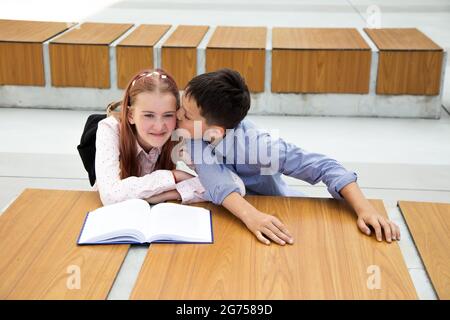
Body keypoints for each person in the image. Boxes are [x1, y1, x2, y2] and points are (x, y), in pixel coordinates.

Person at [173, 68, 401, 246]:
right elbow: (217, 182)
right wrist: (251, 216)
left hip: (278, 211)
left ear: (216, 131)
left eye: (186, 114)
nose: (177, 115)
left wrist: (365, 209)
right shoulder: (195, 137)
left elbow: (324, 167)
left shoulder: (260, 148)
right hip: (238, 215)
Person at [94, 68, 245, 206]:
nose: (159, 126)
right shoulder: (110, 129)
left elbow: (235, 184)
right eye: (148, 115)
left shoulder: (179, 135)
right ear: (131, 115)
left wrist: (174, 192)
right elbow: (110, 195)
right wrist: (172, 176)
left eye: (168, 115)